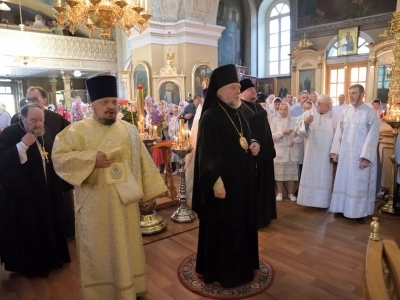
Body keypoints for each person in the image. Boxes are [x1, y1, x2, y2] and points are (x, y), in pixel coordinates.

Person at [52, 75, 167, 299]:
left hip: (126, 205)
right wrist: (91, 159)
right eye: (105, 102)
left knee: (127, 248)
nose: (111, 107)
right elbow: (59, 158)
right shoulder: (76, 131)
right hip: (95, 208)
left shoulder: (129, 130)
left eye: (114, 102)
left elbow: (144, 162)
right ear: (92, 105)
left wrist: (147, 194)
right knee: (99, 251)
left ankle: (130, 289)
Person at [192, 64, 260, 288]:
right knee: (225, 230)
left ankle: (243, 267)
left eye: (237, 87)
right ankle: (223, 272)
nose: (237, 91)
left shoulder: (240, 111)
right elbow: (206, 153)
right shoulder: (210, 117)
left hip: (243, 184)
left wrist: (254, 144)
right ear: (220, 91)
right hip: (223, 187)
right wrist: (216, 183)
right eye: (232, 87)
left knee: (241, 227)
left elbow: (245, 138)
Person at [0, 103, 70, 277]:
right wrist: (22, 145)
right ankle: (33, 267)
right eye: (33, 120)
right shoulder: (10, 134)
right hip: (24, 198)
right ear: (22, 118)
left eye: (41, 119)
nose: (38, 124)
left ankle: (53, 260)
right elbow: (3, 164)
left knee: (49, 225)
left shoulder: (45, 132)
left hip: (47, 192)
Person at [11, 86, 74, 240]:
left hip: (53, 171)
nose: (30, 102)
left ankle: (64, 234)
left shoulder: (57, 119)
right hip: (29, 176)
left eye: (35, 99)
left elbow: (71, 141)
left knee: (59, 205)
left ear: (44, 100)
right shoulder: (17, 118)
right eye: (28, 99)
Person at [330, 84, 380, 224]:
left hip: (360, 156)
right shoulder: (345, 112)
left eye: (354, 93)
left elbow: (372, 137)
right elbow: (339, 133)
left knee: (358, 183)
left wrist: (365, 158)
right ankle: (340, 207)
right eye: (349, 92)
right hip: (345, 155)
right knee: (343, 180)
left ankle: (359, 212)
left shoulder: (370, 113)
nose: (351, 95)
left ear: (362, 94)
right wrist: (335, 151)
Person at [239, 78, 277, 227]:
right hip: (253, 153)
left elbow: (267, 129)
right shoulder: (240, 109)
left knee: (267, 184)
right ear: (242, 93)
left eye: (254, 89)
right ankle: (257, 217)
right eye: (249, 90)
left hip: (266, 152)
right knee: (257, 186)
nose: (253, 91)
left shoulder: (259, 107)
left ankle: (268, 213)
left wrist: (270, 147)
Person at [295, 94, 337, 208]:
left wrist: (334, 152)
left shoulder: (334, 117)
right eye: (327, 105)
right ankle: (307, 201)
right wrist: (306, 123)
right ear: (319, 104)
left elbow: (337, 136)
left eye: (330, 104)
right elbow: (299, 132)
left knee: (324, 176)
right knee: (310, 175)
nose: (330, 106)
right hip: (311, 152)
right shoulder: (308, 114)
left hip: (325, 152)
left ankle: (322, 202)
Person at [271, 102, 300, 201]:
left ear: (289, 110)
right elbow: (272, 136)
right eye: (281, 109)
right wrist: (283, 133)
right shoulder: (274, 120)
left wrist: (294, 141)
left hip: (291, 150)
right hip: (279, 150)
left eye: (285, 109)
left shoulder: (295, 120)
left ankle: (291, 193)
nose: (282, 111)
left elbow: (300, 135)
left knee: (291, 174)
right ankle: (279, 193)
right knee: (279, 173)